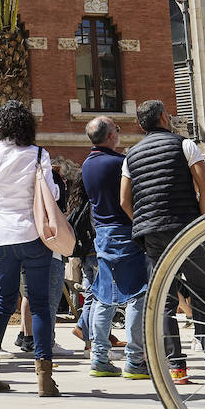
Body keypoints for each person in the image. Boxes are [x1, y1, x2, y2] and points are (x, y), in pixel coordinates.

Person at [123, 99, 205, 387]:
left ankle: (176, 369)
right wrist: (204, 225)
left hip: (152, 234)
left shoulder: (130, 156)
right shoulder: (184, 145)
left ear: (140, 125)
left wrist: (143, 221)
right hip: (185, 229)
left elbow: (124, 200)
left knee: (164, 299)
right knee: (203, 294)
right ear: (164, 118)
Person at [0, 100, 62, 396]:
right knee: (40, 303)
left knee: (3, 303)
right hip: (33, 234)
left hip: (2, 237)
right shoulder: (38, 154)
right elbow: (53, 193)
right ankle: (44, 376)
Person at [81, 116, 149, 381]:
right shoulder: (120, 163)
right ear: (111, 136)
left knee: (104, 295)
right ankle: (134, 360)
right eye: (117, 130)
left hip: (103, 233)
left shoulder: (87, 164)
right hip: (124, 230)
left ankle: (99, 358)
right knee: (136, 294)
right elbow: (130, 198)